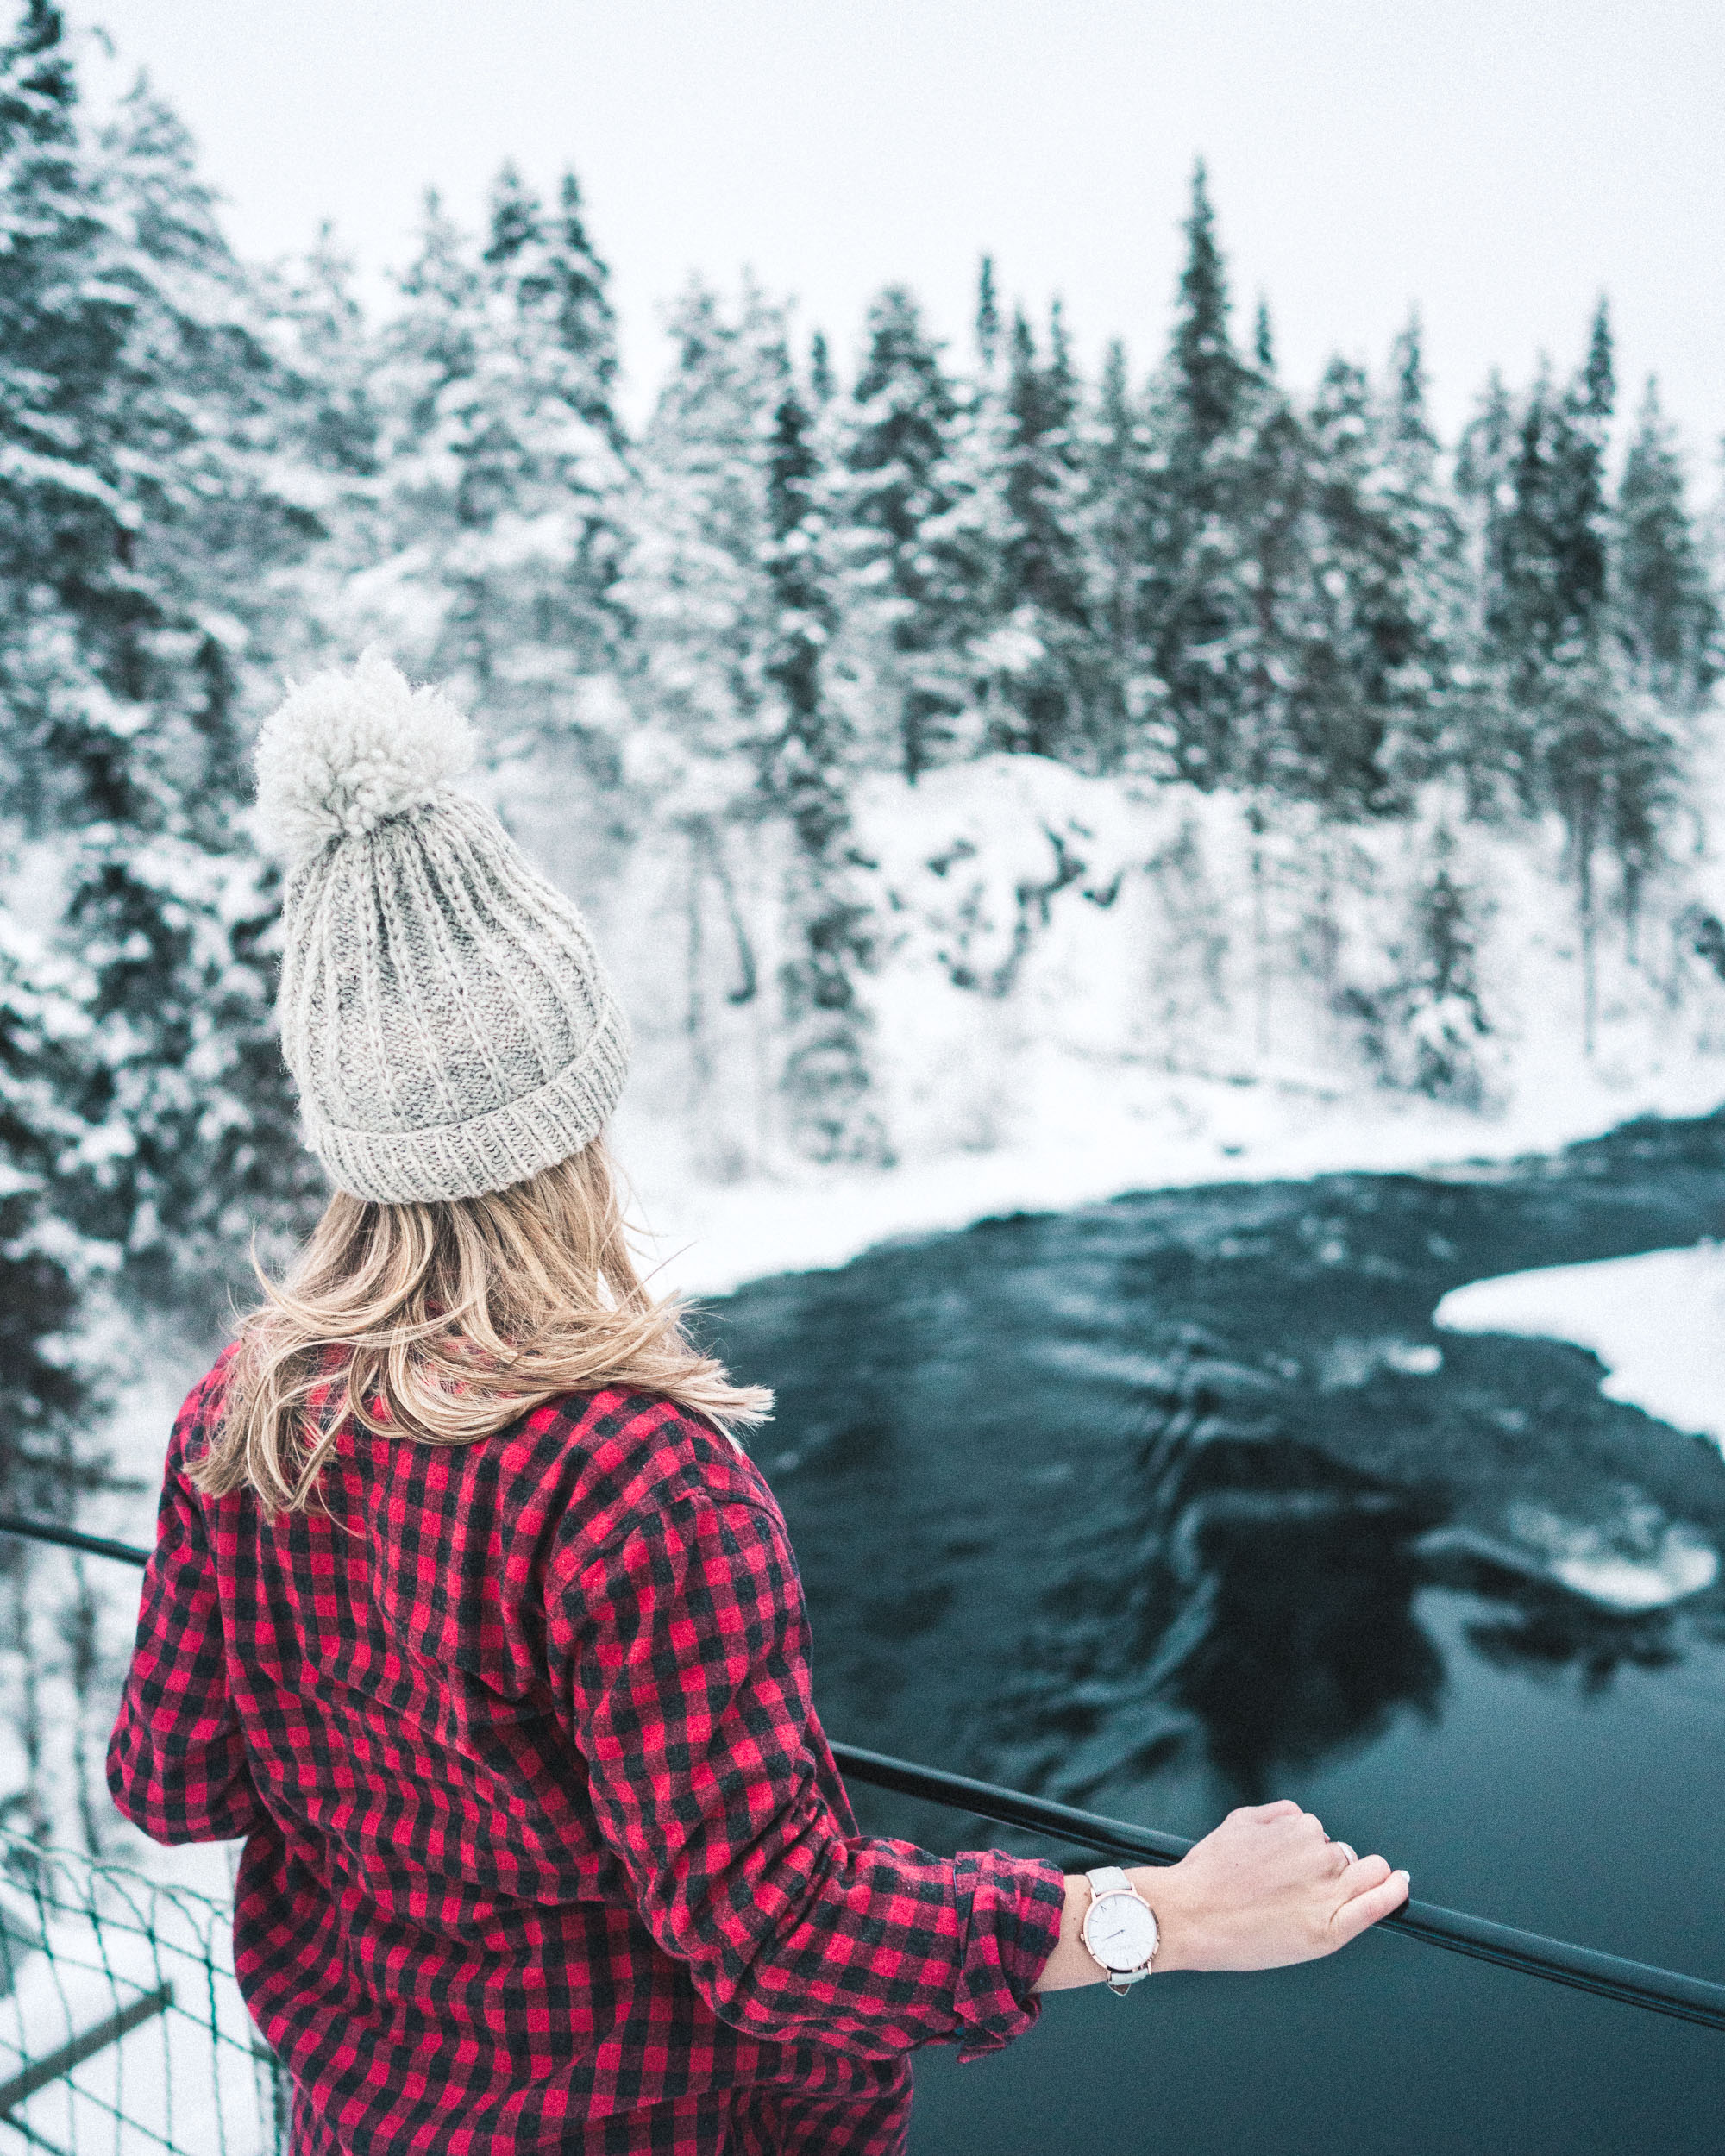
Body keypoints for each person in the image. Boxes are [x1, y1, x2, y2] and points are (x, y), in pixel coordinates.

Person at [108, 655, 1409, 2155]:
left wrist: (383, 1753)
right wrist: (1161, 1914)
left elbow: (171, 1781)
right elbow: (777, 1934)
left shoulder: (246, 1412)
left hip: (365, 2121)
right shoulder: (632, 1476)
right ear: (575, 1113)